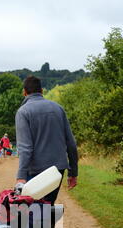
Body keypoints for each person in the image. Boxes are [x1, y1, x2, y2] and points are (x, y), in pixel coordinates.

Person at [15, 76, 78, 204]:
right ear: (42, 91)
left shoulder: (23, 112)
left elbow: (25, 148)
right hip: (57, 169)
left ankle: (43, 223)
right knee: (48, 205)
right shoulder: (58, 108)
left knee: (34, 210)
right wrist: (73, 172)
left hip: (35, 171)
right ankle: (49, 224)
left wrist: (21, 176)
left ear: (24, 92)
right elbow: (71, 143)